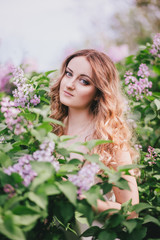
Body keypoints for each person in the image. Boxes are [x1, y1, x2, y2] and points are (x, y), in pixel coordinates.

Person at [49, 49, 139, 238]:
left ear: (98, 93)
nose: (70, 84)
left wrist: (82, 196)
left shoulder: (110, 141)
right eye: (69, 73)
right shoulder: (49, 132)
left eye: (84, 81)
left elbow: (131, 213)